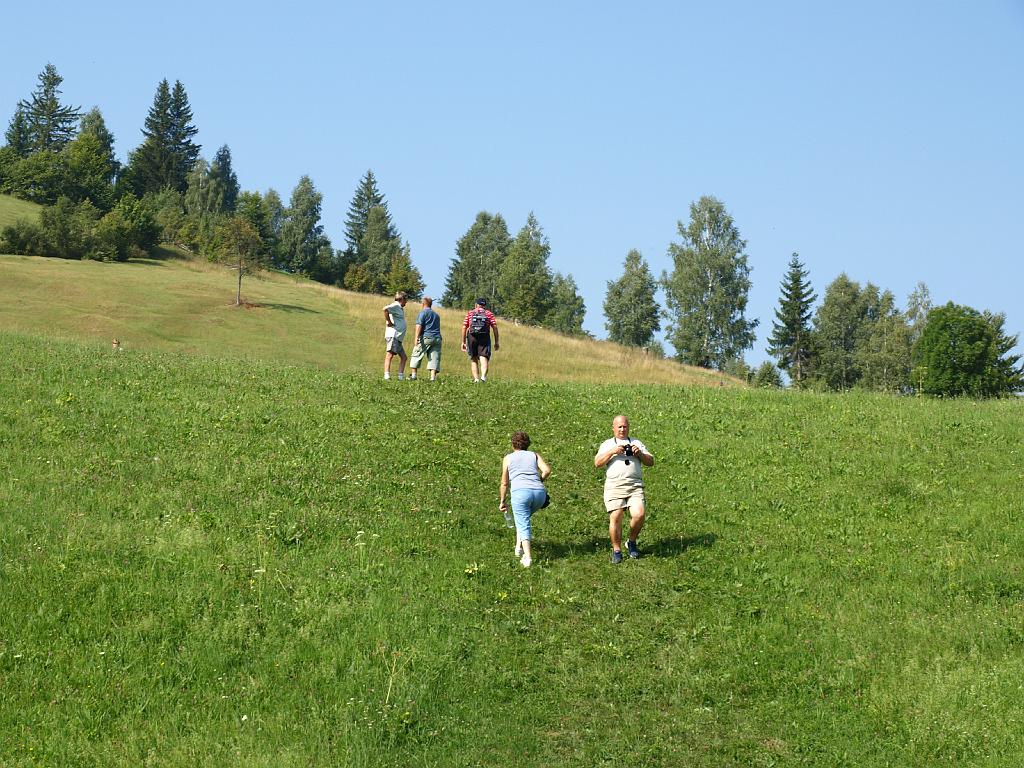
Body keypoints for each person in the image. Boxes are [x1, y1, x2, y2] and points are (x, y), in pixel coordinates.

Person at [594, 415, 654, 563]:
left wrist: (639, 453)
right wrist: (613, 452)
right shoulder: (607, 444)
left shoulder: (636, 442)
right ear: (613, 428)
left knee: (639, 514)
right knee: (616, 516)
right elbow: (597, 463)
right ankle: (617, 550)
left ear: (629, 427)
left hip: (634, 485)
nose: (622, 429)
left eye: (625, 426)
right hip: (614, 485)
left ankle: (631, 541)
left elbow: (651, 462)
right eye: (619, 427)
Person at [498, 431, 551, 568]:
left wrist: (502, 501)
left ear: (513, 444)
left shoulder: (508, 458)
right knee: (522, 519)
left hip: (520, 493)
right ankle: (518, 548)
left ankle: (527, 557)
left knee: (523, 522)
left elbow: (504, 483)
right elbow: (547, 471)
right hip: (540, 494)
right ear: (528, 444)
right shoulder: (534, 455)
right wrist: (539, 481)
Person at [461, 298, 499, 383]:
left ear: (476, 305)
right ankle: (483, 377)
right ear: (484, 306)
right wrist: (496, 341)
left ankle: (476, 379)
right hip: (484, 336)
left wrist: (463, 341)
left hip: (472, 336)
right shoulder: (488, 314)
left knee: (474, 358)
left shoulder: (470, 313)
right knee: (483, 357)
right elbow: (495, 327)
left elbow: (464, 327)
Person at [409, 296, 442, 381]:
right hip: (437, 338)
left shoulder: (423, 313)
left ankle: (413, 376)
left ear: (423, 304)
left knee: (416, 354)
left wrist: (416, 337)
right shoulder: (436, 315)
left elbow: (419, 325)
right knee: (434, 357)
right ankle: (432, 378)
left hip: (426, 337)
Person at [382, 291, 408, 381]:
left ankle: (400, 377)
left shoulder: (399, 307)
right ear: (402, 299)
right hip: (394, 335)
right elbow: (385, 309)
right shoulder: (396, 305)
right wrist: (389, 322)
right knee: (389, 355)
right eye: (406, 299)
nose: (406, 302)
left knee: (404, 357)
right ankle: (386, 376)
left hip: (398, 338)